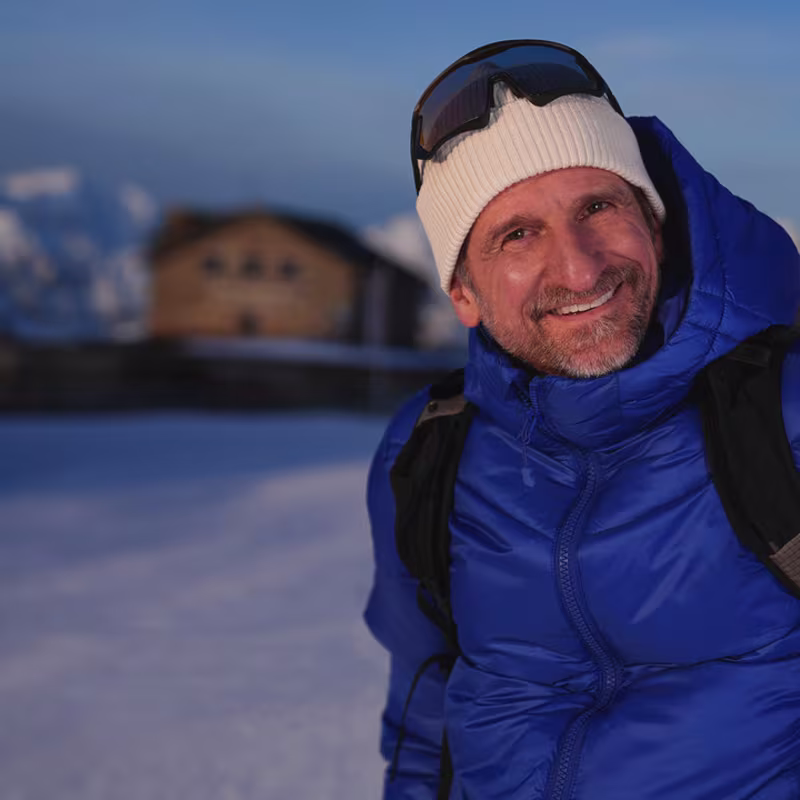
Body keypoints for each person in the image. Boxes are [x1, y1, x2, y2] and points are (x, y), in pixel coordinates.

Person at [364, 40, 800, 799]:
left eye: (598, 206)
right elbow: (424, 710)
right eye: (517, 235)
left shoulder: (784, 415)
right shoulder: (428, 450)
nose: (580, 268)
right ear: (462, 292)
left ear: (654, 223)